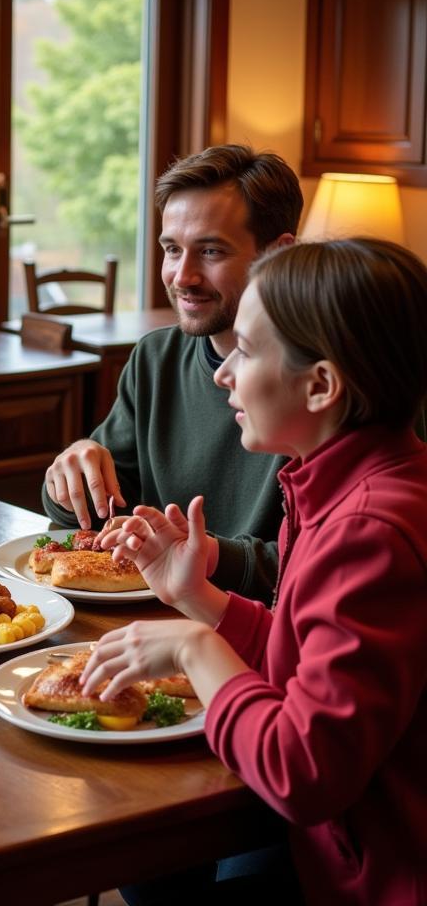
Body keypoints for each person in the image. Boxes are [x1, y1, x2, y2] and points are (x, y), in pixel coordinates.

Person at [81, 238, 427, 906]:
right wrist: (202, 600)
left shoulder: (370, 532)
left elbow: (306, 772)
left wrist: (194, 644)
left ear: (321, 385)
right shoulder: (337, 486)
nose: (222, 373)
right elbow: (310, 665)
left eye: (245, 350)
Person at [43, 144, 303, 602]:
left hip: (269, 637)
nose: (183, 276)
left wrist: (201, 553)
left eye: (210, 251)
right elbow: (93, 521)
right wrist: (70, 479)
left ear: (279, 255)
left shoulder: (324, 382)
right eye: (171, 249)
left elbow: (324, 563)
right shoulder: (155, 358)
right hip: (158, 618)